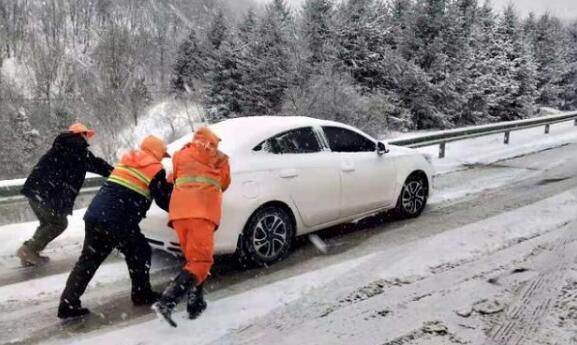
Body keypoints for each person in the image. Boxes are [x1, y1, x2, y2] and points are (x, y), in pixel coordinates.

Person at [58, 135, 173, 319]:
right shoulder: (154, 168)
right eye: (162, 155)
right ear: (157, 152)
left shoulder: (127, 161)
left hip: (95, 216)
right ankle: (141, 294)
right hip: (119, 220)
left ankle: (68, 304)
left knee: (88, 260)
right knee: (140, 251)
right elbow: (164, 199)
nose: (162, 158)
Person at [153, 127, 230, 327]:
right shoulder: (220, 158)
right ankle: (167, 301)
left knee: (192, 259)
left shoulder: (179, 155)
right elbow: (224, 183)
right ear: (212, 142)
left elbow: (173, 178)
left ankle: (196, 303)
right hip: (201, 213)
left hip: (179, 214)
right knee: (201, 262)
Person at [17, 123, 113, 266]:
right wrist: (116, 173)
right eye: (86, 135)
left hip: (35, 193)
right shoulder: (78, 149)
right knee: (58, 223)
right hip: (47, 195)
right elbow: (98, 164)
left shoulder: (60, 147)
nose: (87, 139)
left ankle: (29, 253)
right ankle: (28, 250)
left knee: (47, 223)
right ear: (80, 135)